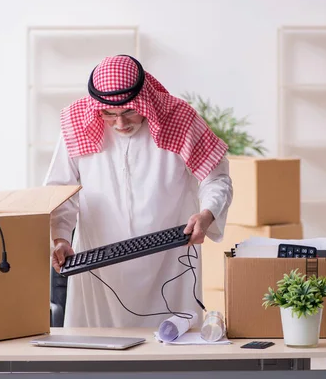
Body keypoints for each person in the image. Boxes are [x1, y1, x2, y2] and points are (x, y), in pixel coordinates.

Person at [44, 54, 233, 328]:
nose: (121, 123)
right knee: (97, 357)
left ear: (144, 100)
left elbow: (217, 179)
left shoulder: (179, 119)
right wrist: (61, 238)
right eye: (109, 114)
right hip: (99, 268)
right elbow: (61, 192)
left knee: (170, 358)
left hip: (170, 261)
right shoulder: (76, 124)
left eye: (129, 111)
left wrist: (207, 214)